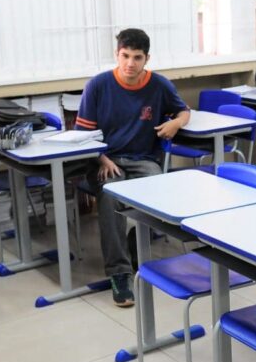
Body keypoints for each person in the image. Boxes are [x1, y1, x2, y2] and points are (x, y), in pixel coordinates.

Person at [75, 28, 190, 307]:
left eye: (137, 57)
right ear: (117, 54)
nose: (130, 63)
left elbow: (184, 111)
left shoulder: (159, 86)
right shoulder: (98, 85)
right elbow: (83, 134)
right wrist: (101, 158)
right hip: (106, 161)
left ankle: (134, 245)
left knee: (157, 192)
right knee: (111, 197)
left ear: (146, 59)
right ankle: (120, 273)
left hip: (143, 160)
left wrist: (176, 123)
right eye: (125, 56)